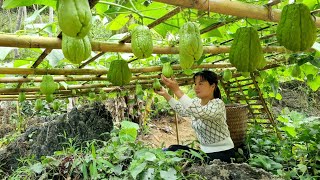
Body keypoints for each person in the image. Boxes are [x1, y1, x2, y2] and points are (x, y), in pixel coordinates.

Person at [155, 70, 235, 163]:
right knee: (175, 149)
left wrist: (176, 90)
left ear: (213, 86)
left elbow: (199, 111)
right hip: (205, 153)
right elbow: (183, 111)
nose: (196, 87)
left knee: (178, 154)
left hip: (223, 153)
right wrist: (165, 94)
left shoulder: (217, 104)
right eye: (195, 84)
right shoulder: (196, 102)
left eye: (201, 84)